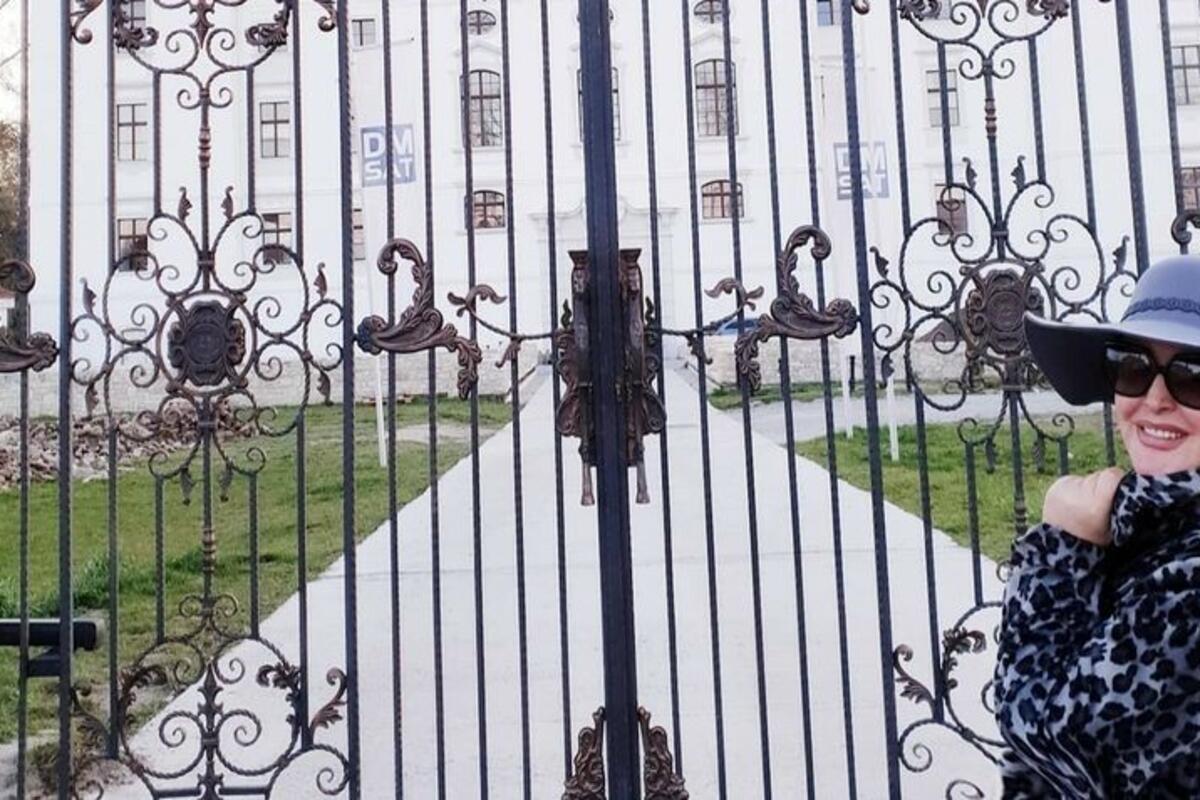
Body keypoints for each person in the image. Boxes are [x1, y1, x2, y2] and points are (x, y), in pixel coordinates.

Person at [997, 255, 1200, 798]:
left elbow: (1046, 730)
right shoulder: (1144, 526)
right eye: (1132, 367)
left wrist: (1058, 553)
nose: (1155, 399)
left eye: (1193, 378)